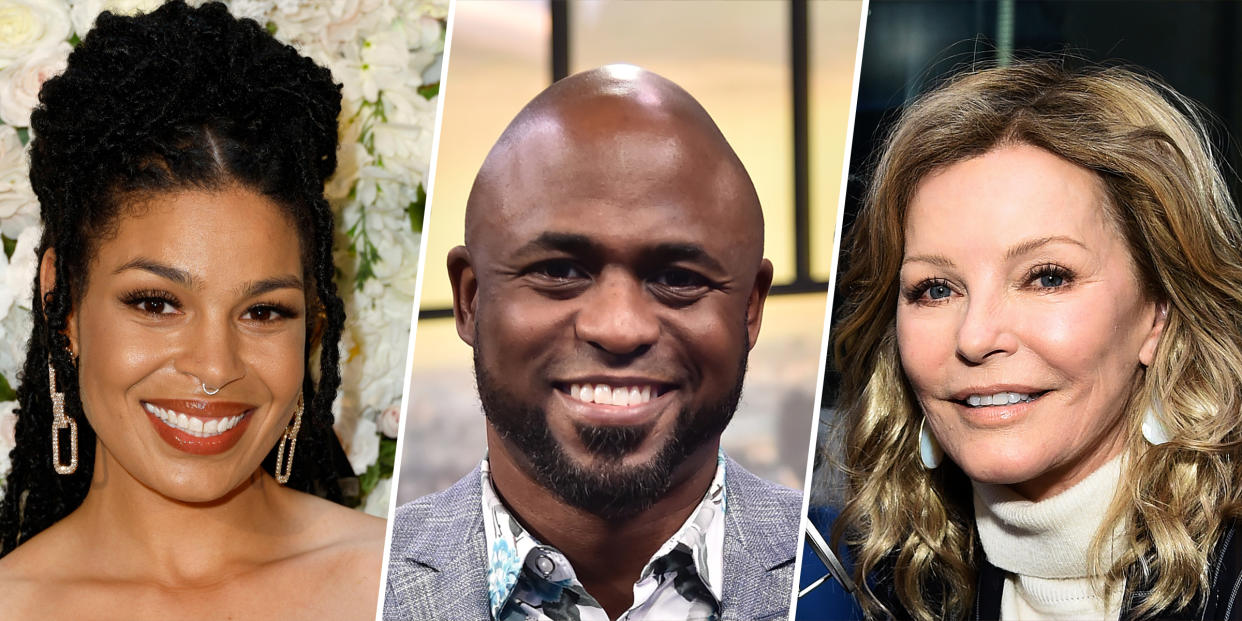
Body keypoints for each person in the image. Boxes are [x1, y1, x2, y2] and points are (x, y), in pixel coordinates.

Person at [821, 61, 1242, 621]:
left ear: (1157, 312)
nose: (975, 337)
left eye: (1047, 277)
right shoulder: (885, 581)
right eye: (935, 289)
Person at [0, 3, 383, 618]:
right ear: (60, 300)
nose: (214, 366)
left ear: (312, 324)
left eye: (263, 313)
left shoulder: (404, 583)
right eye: (157, 303)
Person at [384, 64, 798, 621]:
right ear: (470, 299)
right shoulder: (355, 587)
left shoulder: (848, 576)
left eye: (677, 278)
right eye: (559, 270)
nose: (619, 327)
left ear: (749, 309)